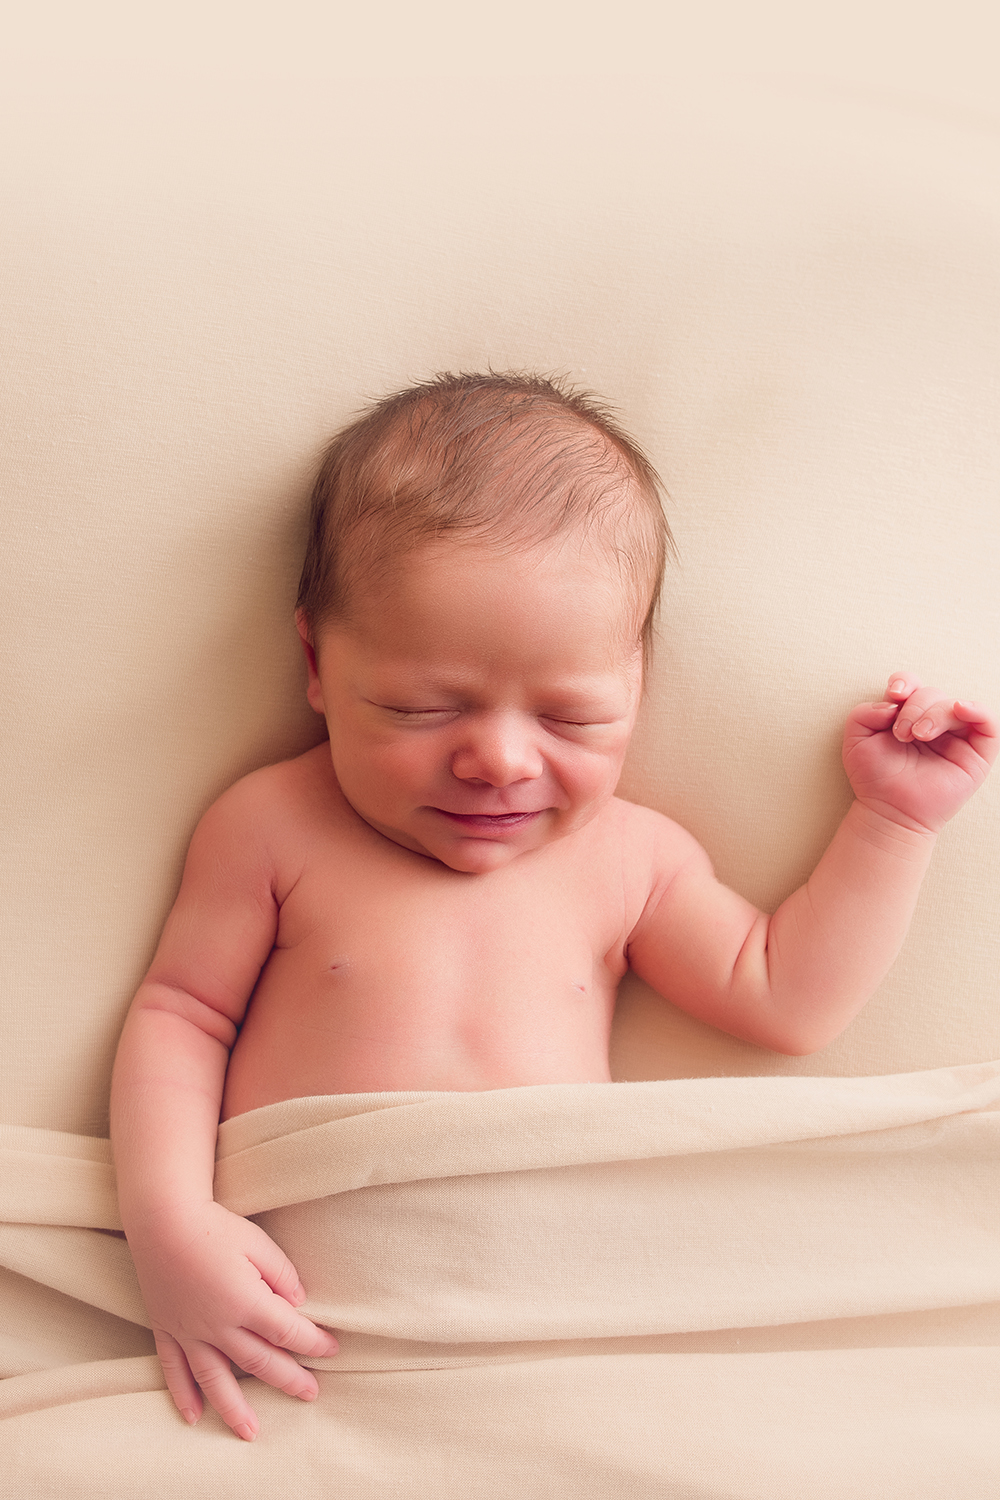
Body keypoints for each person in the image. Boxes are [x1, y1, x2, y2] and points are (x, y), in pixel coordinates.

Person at [110, 371, 997, 1442]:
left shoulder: (632, 858)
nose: (497, 760)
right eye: (420, 707)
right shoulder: (271, 824)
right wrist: (167, 1223)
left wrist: (892, 825)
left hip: (544, 1298)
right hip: (299, 1313)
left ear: (638, 684)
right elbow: (181, 1015)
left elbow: (784, 999)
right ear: (314, 661)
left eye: (573, 717)